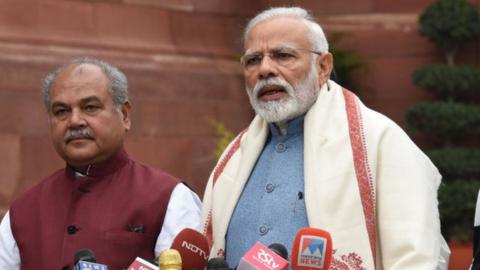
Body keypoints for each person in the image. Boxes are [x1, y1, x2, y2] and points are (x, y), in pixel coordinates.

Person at [201, 7, 450, 269]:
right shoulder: (235, 157)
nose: (264, 69)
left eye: (282, 55)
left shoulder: (380, 141)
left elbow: (415, 258)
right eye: (253, 60)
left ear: (323, 67)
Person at [0, 58, 201, 270]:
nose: (75, 121)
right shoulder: (22, 212)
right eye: (61, 111)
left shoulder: (169, 198)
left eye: (90, 107)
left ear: (124, 115)